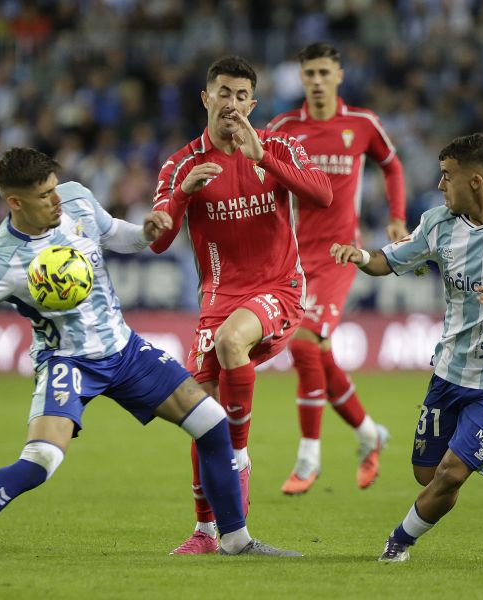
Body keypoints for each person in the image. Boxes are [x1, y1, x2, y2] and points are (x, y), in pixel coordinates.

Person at [0, 147, 301, 560]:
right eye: (43, 196)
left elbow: (118, 236)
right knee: (40, 461)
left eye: (55, 189)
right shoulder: (4, 261)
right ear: (15, 202)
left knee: (214, 424)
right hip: (67, 362)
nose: (56, 200)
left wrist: (145, 232)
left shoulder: (74, 197)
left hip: (124, 351)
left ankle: (235, 541)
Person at [329, 133, 483, 562]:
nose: (439, 185)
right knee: (427, 474)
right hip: (449, 371)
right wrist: (361, 257)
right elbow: (390, 259)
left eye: (446, 176)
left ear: (474, 180)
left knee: (452, 475)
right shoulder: (437, 223)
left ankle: (398, 544)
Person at [150, 56, 332, 554]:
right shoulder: (181, 164)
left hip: (278, 286)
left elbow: (324, 195)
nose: (231, 104)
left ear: (253, 104)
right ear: (206, 98)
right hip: (217, 296)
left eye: (241, 96)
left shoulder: (277, 145)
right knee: (197, 409)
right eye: (223, 93)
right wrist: (181, 198)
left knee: (233, 343)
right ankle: (208, 531)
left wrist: (265, 159)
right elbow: (158, 242)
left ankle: (240, 450)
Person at [266, 42, 407, 494]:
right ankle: (369, 434)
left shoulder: (362, 124)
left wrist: (397, 217)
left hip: (341, 254)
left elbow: (392, 166)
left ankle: (309, 457)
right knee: (319, 356)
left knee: (305, 346)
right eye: (309, 73)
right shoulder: (283, 128)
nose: (317, 81)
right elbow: (259, 174)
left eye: (325, 72)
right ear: (301, 77)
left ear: (339, 76)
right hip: (293, 257)